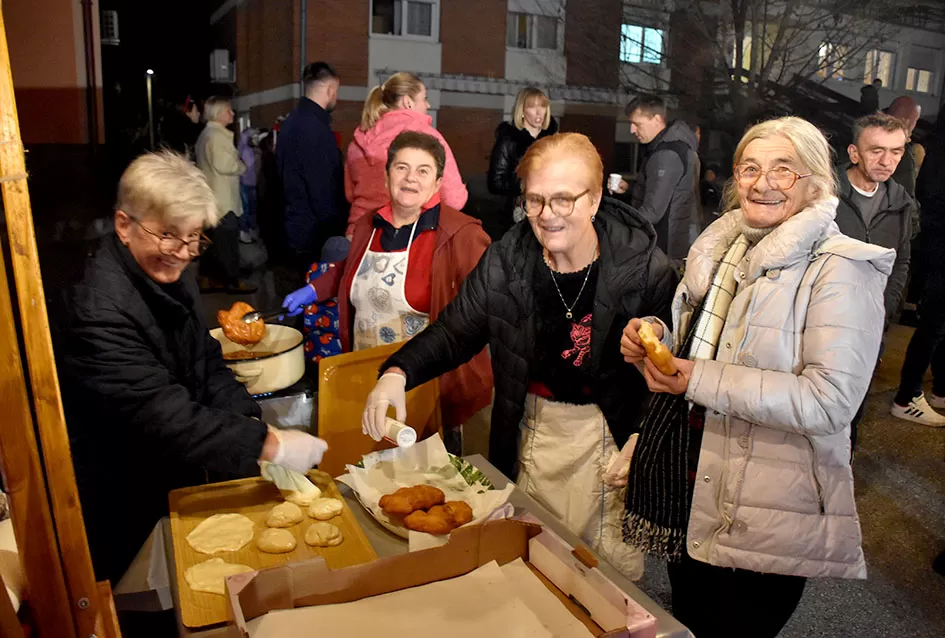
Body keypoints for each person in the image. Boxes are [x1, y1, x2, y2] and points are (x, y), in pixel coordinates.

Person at [620, 116, 892, 637]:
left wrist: (695, 378)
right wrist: (653, 334)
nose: (762, 183)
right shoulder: (723, 249)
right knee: (693, 620)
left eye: (783, 171)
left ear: (815, 182)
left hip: (769, 500)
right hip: (697, 478)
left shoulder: (840, 268)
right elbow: (706, 339)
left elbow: (829, 400)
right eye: (750, 168)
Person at [360, 133, 677, 578]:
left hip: (608, 436)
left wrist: (643, 435)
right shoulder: (507, 260)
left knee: (604, 579)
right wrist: (397, 371)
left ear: (595, 198)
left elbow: (671, 369)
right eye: (535, 200)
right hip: (532, 428)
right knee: (534, 562)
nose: (548, 216)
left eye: (564, 200)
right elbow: (456, 331)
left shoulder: (645, 267)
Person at [57, 152, 328, 583]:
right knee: (146, 588)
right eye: (168, 236)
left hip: (172, 468)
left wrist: (248, 418)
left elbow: (202, 356)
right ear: (124, 225)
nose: (182, 254)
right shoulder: (97, 307)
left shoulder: (168, 270)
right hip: (120, 480)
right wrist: (268, 444)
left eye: (194, 238)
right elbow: (162, 414)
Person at [283, 132, 492, 452]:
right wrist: (313, 290)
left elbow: (483, 305)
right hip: (367, 373)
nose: (411, 178)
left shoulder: (461, 235)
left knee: (426, 478)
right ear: (386, 175)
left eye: (423, 171)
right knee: (369, 467)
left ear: (437, 183)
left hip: (425, 382)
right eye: (401, 167)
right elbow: (350, 269)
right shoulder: (369, 224)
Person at [835, 114, 916, 435]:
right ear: (854, 153)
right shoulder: (824, 195)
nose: (887, 161)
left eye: (896, 152)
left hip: (869, 328)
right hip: (818, 323)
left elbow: (901, 263)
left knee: (853, 411)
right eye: (876, 151)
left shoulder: (901, 204)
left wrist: (884, 309)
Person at [345, 72, 467, 238]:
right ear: (407, 102)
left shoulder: (358, 142)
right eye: (424, 98)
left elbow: (350, 194)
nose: (428, 105)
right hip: (409, 237)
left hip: (358, 234)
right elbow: (454, 199)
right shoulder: (425, 139)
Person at [892, 116, 945, 428]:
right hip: (940, 243)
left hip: (937, 240)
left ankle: (940, 388)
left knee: (941, 322)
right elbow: (932, 195)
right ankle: (906, 396)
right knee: (935, 322)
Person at [611, 94, 701, 264]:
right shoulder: (675, 146)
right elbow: (665, 194)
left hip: (663, 248)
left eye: (637, 124)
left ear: (657, 120)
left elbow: (652, 212)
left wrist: (618, 227)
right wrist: (629, 189)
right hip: (671, 246)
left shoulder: (666, 154)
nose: (632, 130)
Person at [277, 61, 348, 271]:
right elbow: (324, 188)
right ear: (329, 89)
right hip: (313, 235)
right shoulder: (315, 129)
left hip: (294, 227)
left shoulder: (291, 123)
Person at [195, 96, 256, 294]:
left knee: (215, 241)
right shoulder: (217, 136)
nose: (232, 114)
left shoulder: (206, 134)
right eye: (228, 110)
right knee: (228, 242)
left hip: (214, 197)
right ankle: (232, 280)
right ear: (218, 113)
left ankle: (209, 278)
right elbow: (225, 165)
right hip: (224, 199)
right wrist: (242, 164)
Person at [487, 87, 559, 231]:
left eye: (543, 106)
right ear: (522, 111)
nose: (539, 112)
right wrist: (524, 185)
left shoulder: (553, 141)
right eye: (532, 107)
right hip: (518, 217)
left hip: (550, 212)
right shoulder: (508, 140)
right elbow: (495, 183)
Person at [887, 95, 922, 199]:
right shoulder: (902, 155)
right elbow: (906, 197)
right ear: (907, 121)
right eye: (915, 120)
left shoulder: (867, 139)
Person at [237, 127, 266, 244]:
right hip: (244, 182)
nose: (256, 140)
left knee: (253, 208)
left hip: (253, 183)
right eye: (253, 137)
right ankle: (244, 231)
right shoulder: (243, 149)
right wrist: (248, 134)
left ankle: (252, 229)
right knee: (245, 208)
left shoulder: (255, 151)